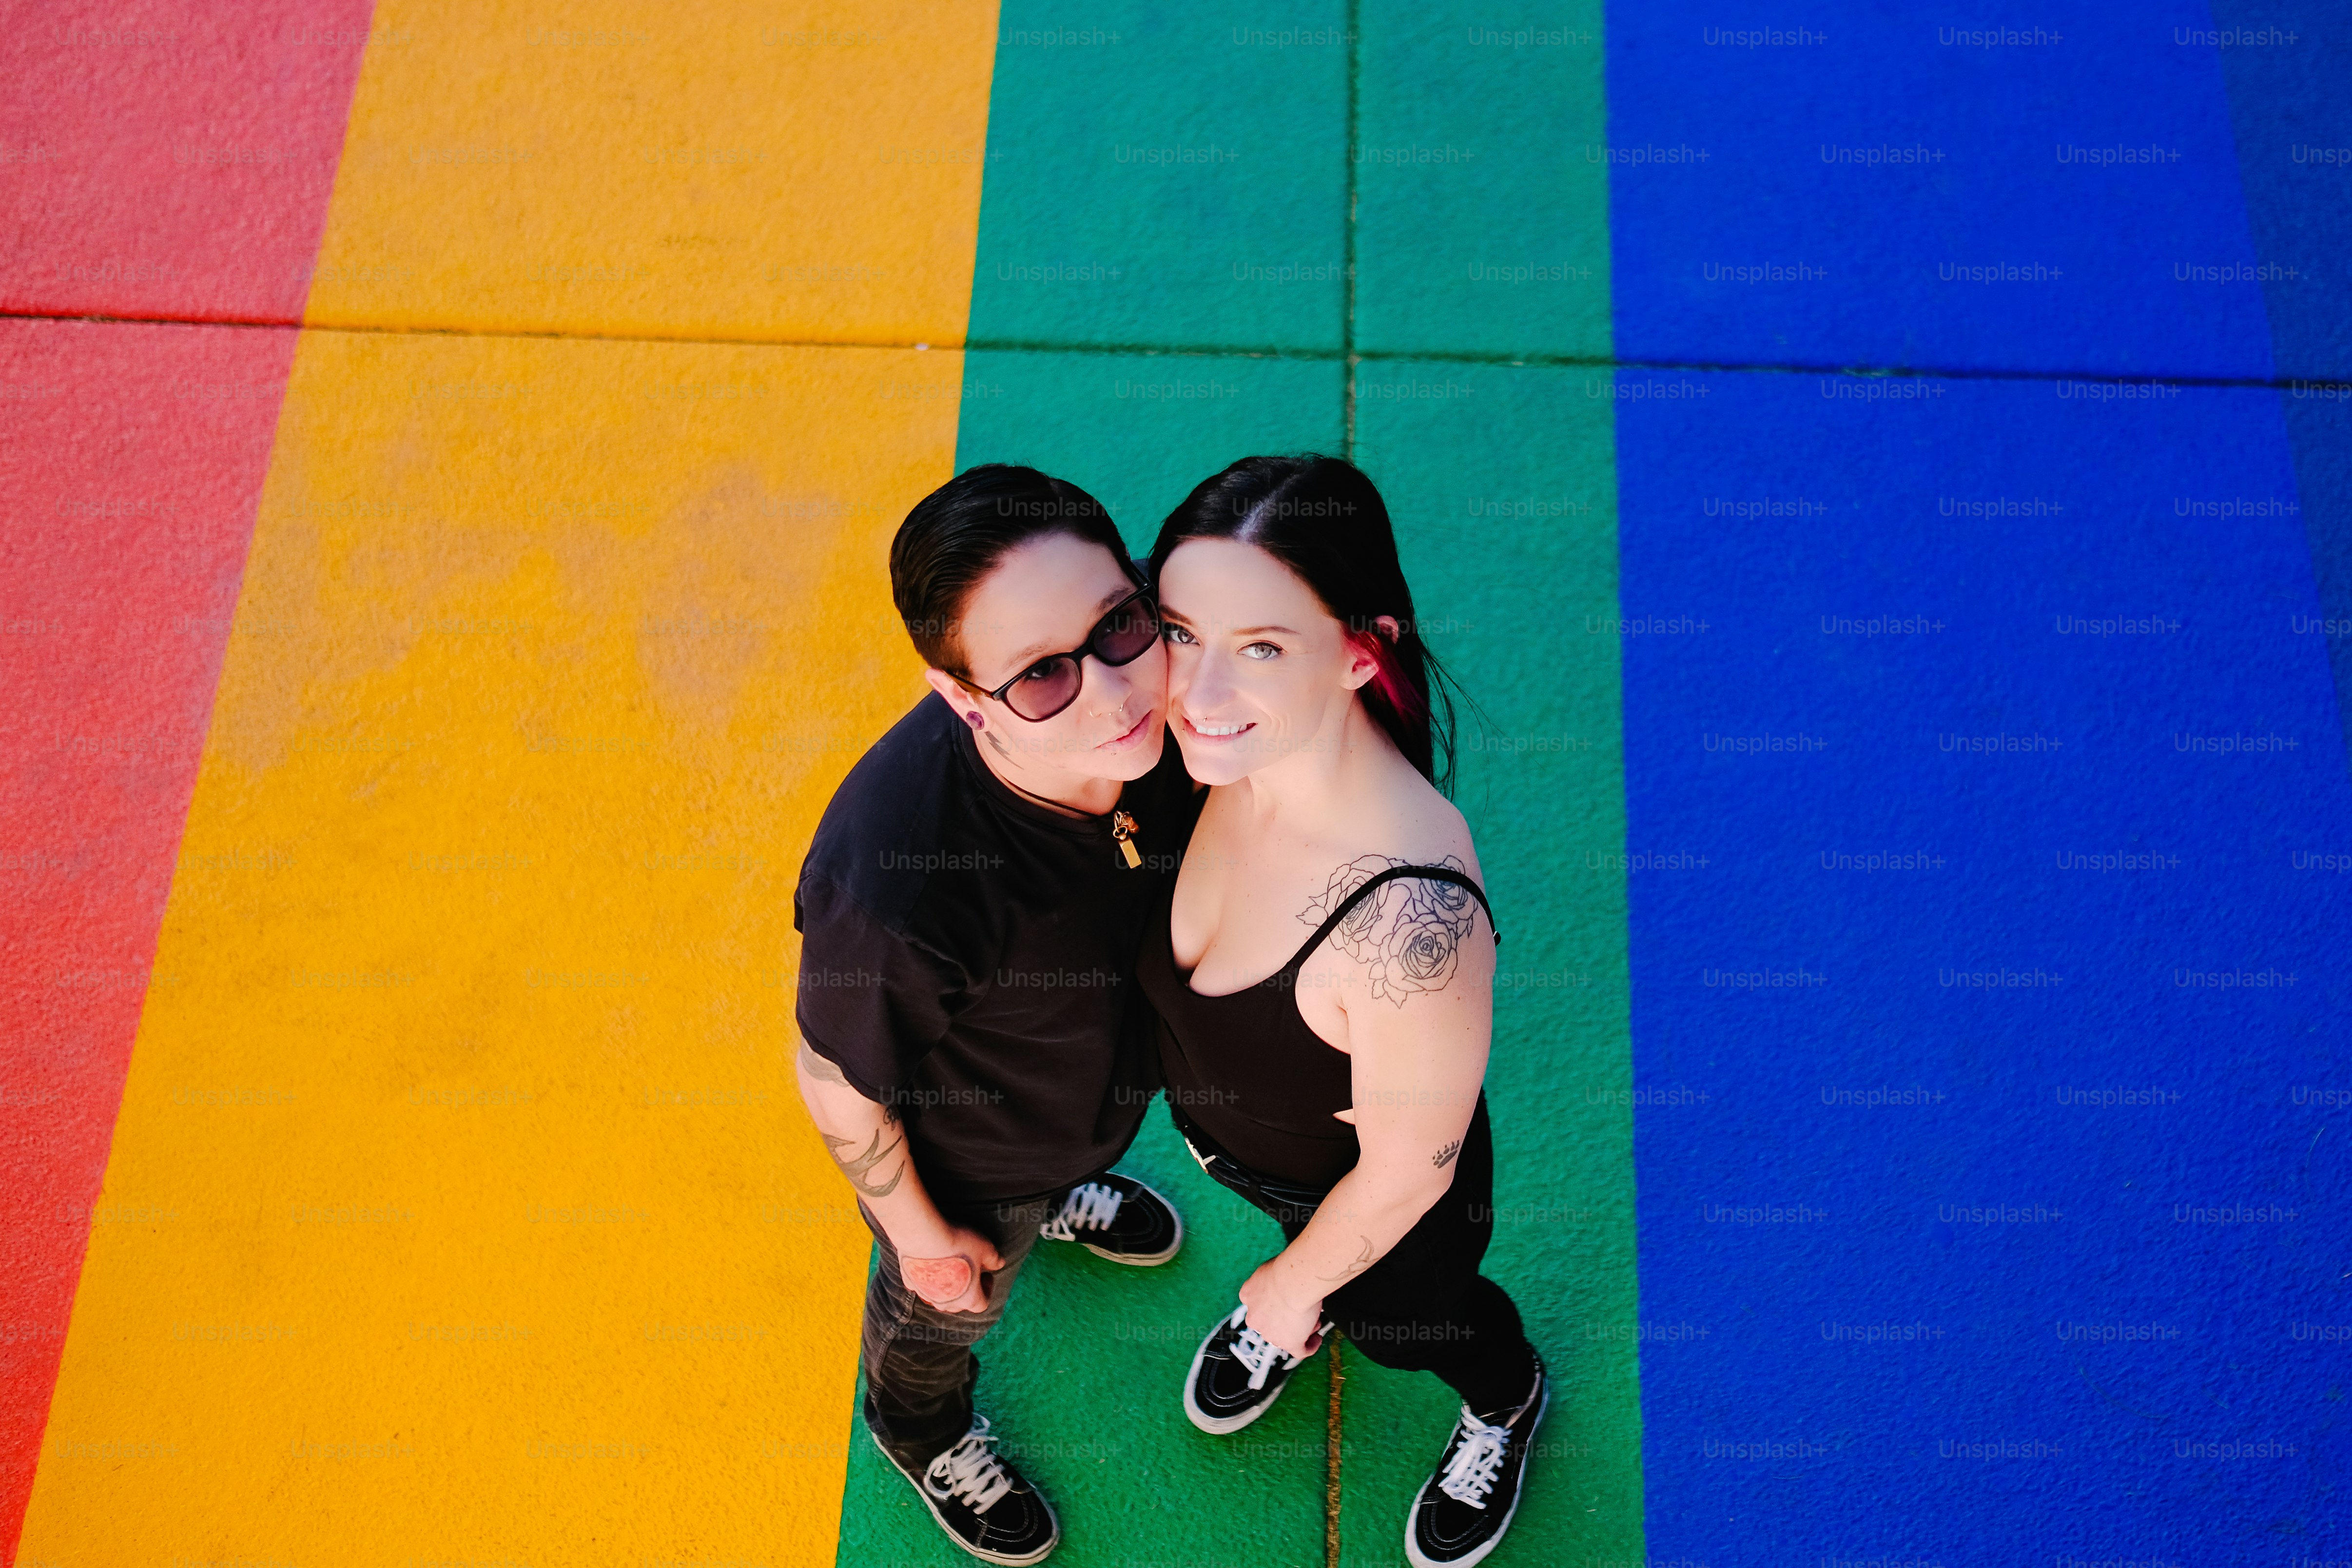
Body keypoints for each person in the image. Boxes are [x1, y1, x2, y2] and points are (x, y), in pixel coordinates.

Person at [1135, 455, 1546, 1568]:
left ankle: (1505, 1396)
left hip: (1390, 1209)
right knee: (1308, 1261)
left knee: (1405, 1325)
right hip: (1261, 1164)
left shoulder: (1411, 914)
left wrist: (1288, 1289)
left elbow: (1407, 1171)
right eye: (1179, 632)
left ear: (1364, 652)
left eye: (1262, 648)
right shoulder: (1203, 763)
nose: (1194, 692)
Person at [793, 465, 1201, 1566]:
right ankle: (916, 1428)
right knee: (944, 1316)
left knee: (1053, 1166)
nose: (1115, 693)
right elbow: (834, 1081)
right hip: (976, 1164)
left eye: (1118, 626)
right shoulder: (895, 888)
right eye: (1041, 676)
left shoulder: (1176, 704)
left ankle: (1065, 1190)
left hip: (1080, 1099)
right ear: (963, 700)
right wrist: (925, 1241)